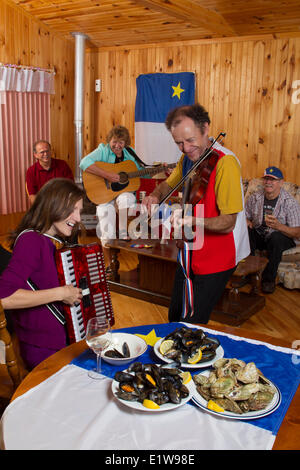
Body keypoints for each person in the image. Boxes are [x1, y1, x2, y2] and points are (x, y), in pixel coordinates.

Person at [143, 104, 250, 324]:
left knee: (193, 323)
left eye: (190, 140)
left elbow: (229, 222)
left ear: (205, 129)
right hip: (190, 250)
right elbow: (167, 186)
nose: (185, 148)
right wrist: (154, 195)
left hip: (218, 255)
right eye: (179, 143)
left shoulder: (226, 163)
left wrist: (192, 220)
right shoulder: (188, 159)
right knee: (176, 316)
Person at [0, 178, 84, 370]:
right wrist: (62, 293)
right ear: (53, 205)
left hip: (65, 339)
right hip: (44, 348)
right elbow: (3, 297)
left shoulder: (53, 241)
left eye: (80, 210)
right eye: (73, 209)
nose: (78, 218)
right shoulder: (31, 240)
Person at [79, 125, 147, 266]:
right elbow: (84, 162)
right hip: (104, 194)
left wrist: (162, 169)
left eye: (121, 142)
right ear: (109, 140)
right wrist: (108, 175)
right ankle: (109, 264)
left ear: (125, 143)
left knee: (126, 198)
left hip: (122, 194)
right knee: (105, 216)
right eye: (114, 141)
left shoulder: (129, 153)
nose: (117, 145)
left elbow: (140, 171)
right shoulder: (102, 151)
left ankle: (122, 232)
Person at [245, 166, 300, 294]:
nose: (268, 182)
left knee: (276, 238)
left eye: (273, 179)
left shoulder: (289, 202)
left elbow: (297, 232)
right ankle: (250, 273)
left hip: (282, 236)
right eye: (266, 179)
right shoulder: (256, 197)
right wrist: (247, 222)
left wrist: (279, 226)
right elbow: (244, 214)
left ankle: (268, 280)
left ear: (281, 182)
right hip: (261, 233)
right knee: (247, 232)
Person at [26, 140, 74, 205]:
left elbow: (71, 186)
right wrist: (42, 208)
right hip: (43, 204)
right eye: (42, 152)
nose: (45, 154)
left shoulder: (63, 165)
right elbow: (32, 196)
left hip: (62, 202)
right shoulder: (31, 171)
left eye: (47, 151)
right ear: (35, 155)